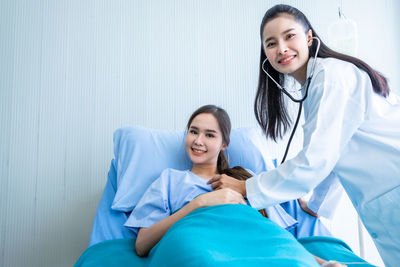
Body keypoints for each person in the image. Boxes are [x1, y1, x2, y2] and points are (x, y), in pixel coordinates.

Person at [207, 4, 400, 266]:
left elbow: (317, 159)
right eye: (271, 43)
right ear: (265, 53)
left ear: (309, 37)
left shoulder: (332, 77)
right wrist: (318, 205)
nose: (282, 49)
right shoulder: (317, 84)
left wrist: (246, 187)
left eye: (289, 36)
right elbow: (336, 154)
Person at [124, 104, 342, 266]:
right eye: (193, 131)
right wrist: (199, 203)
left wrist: (321, 263)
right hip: (197, 241)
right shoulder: (169, 180)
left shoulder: (247, 180)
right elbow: (142, 245)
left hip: (253, 241)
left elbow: (273, 236)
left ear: (224, 144)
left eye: (209, 135)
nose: (198, 141)